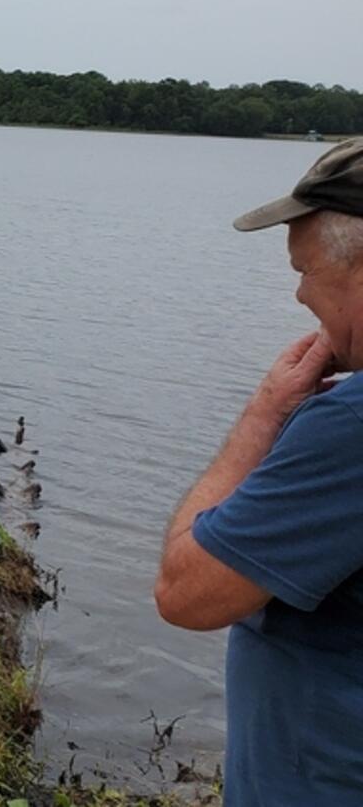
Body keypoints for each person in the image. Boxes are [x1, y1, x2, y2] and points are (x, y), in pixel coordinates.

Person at [154, 138, 363, 805]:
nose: (300, 295)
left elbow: (185, 592)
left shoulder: (350, 428)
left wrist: (265, 413)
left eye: (304, 270)